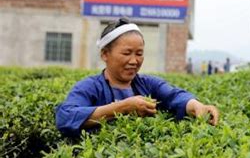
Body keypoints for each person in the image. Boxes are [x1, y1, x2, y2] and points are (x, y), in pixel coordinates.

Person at [56, 17, 219, 137]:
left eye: (139, 54)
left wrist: (197, 106)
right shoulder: (89, 87)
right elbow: (66, 117)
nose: (134, 61)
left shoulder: (148, 84)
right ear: (105, 54)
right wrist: (121, 108)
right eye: (127, 53)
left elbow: (174, 96)